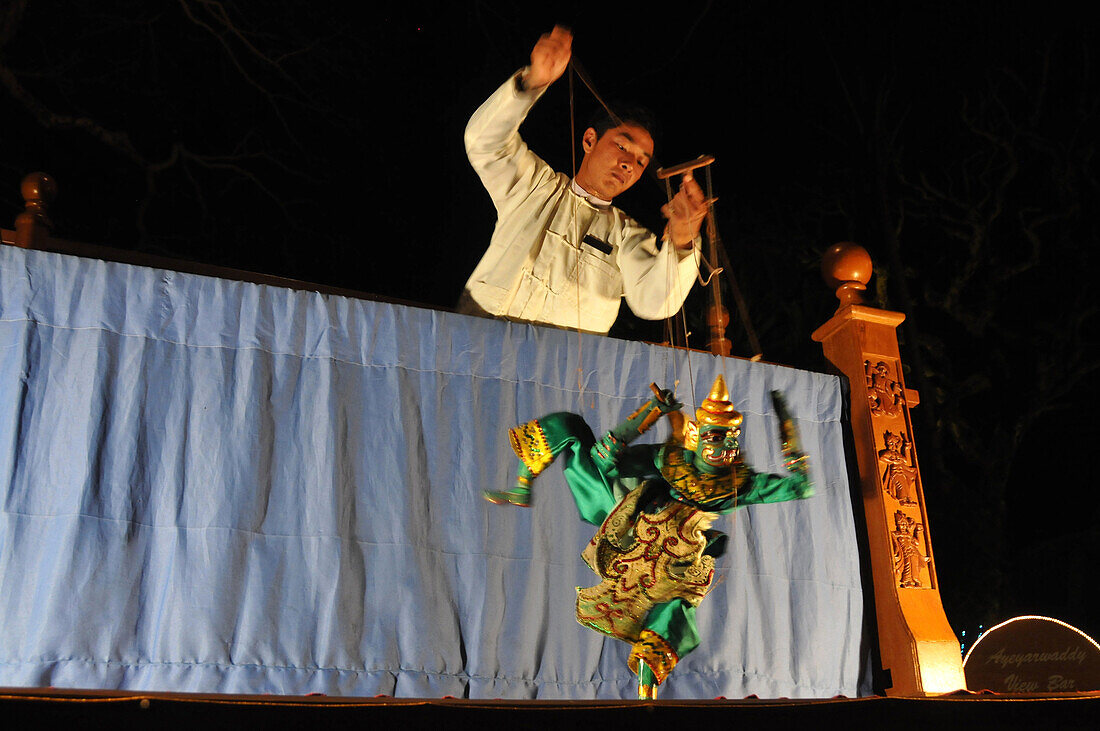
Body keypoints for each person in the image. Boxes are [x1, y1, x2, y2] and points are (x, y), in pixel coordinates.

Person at [485, 375, 813, 698]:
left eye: (733, 439)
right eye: (716, 437)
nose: (726, 448)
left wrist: (786, 427)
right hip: (630, 528)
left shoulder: (743, 482)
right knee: (569, 427)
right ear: (697, 435)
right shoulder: (671, 458)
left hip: (678, 556)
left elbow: (801, 486)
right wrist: (651, 412)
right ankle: (522, 486)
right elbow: (607, 457)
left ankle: (647, 691)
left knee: (674, 612)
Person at [458, 26, 709, 335]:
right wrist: (534, 80)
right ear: (590, 140)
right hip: (478, 341)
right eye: (621, 146)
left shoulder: (627, 235)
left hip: (565, 374)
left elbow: (655, 303)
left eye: (642, 161)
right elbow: (485, 143)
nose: (629, 163)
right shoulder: (535, 187)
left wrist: (683, 240)